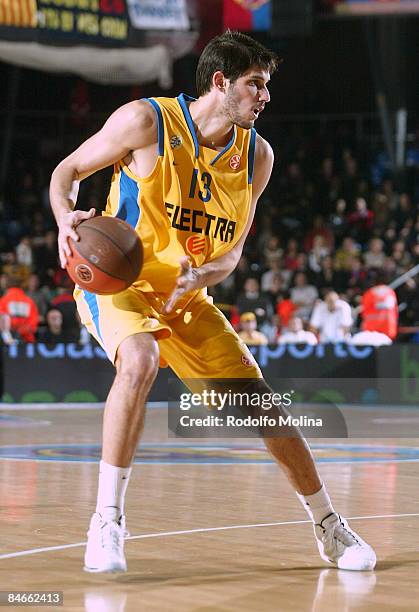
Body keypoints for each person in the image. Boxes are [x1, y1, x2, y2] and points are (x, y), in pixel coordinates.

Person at [50, 30, 375, 574]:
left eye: (267, 86)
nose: (265, 97)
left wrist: (199, 272)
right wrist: (66, 218)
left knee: (264, 410)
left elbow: (233, 256)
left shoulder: (257, 157)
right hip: (120, 285)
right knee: (140, 359)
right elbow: (68, 171)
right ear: (221, 82)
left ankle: (329, 526)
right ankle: (106, 522)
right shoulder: (145, 121)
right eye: (256, 84)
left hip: (187, 296)